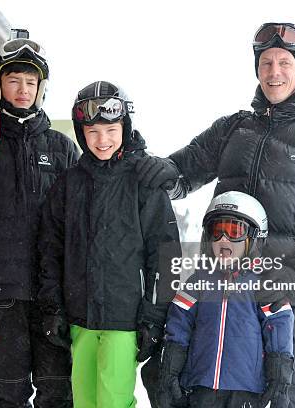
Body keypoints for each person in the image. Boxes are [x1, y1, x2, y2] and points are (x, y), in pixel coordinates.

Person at [136, 22, 295, 408]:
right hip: (220, 297)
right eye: (266, 63)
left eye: (284, 62)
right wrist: (145, 165)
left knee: (287, 399)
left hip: (285, 302)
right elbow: (181, 172)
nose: (274, 72)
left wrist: (292, 273)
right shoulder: (233, 129)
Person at [38, 81, 182, 408]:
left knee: (113, 401)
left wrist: (153, 319)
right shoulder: (69, 184)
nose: (102, 140)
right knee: (85, 401)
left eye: (110, 129)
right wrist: (54, 308)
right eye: (92, 131)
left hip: (124, 320)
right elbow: (51, 250)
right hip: (79, 317)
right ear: (80, 132)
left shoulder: (144, 181)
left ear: (125, 128)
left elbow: (166, 255)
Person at [0, 37, 78, 407]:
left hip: (53, 296)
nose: (23, 89)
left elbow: (80, 221)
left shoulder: (62, 147)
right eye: (14, 80)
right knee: (8, 392)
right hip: (2, 293)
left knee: (57, 392)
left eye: (31, 82)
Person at [159, 191, 294, 408]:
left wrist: (279, 379)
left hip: (245, 390)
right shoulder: (199, 281)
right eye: (217, 231)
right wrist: (170, 371)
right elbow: (179, 322)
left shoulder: (264, 283)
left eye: (234, 231)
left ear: (254, 239)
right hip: (200, 385)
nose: (223, 239)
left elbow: (279, 327)